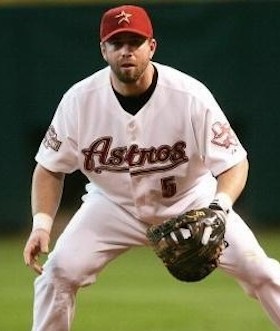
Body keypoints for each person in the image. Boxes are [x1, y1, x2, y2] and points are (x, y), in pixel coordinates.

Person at [23, 4, 280, 331]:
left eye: (135, 42)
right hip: (112, 205)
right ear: (103, 50)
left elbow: (234, 162)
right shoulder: (79, 100)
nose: (127, 51)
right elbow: (48, 167)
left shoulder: (189, 95)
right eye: (117, 44)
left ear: (152, 47)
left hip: (192, 203)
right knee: (57, 273)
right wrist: (41, 225)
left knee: (263, 272)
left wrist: (219, 207)